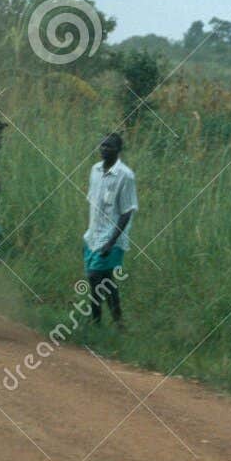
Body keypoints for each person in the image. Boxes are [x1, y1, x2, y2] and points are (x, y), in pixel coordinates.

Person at [83, 133, 137, 326]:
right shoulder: (95, 170)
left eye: (110, 147)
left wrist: (111, 242)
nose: (104, 149)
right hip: (93, 236)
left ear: (118, 150)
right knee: (105, 281)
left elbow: (127, 212)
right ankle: (118, 322)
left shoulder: (126, 175)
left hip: (111, 238)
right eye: (102, 146)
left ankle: (95, 320)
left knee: (95, 277)